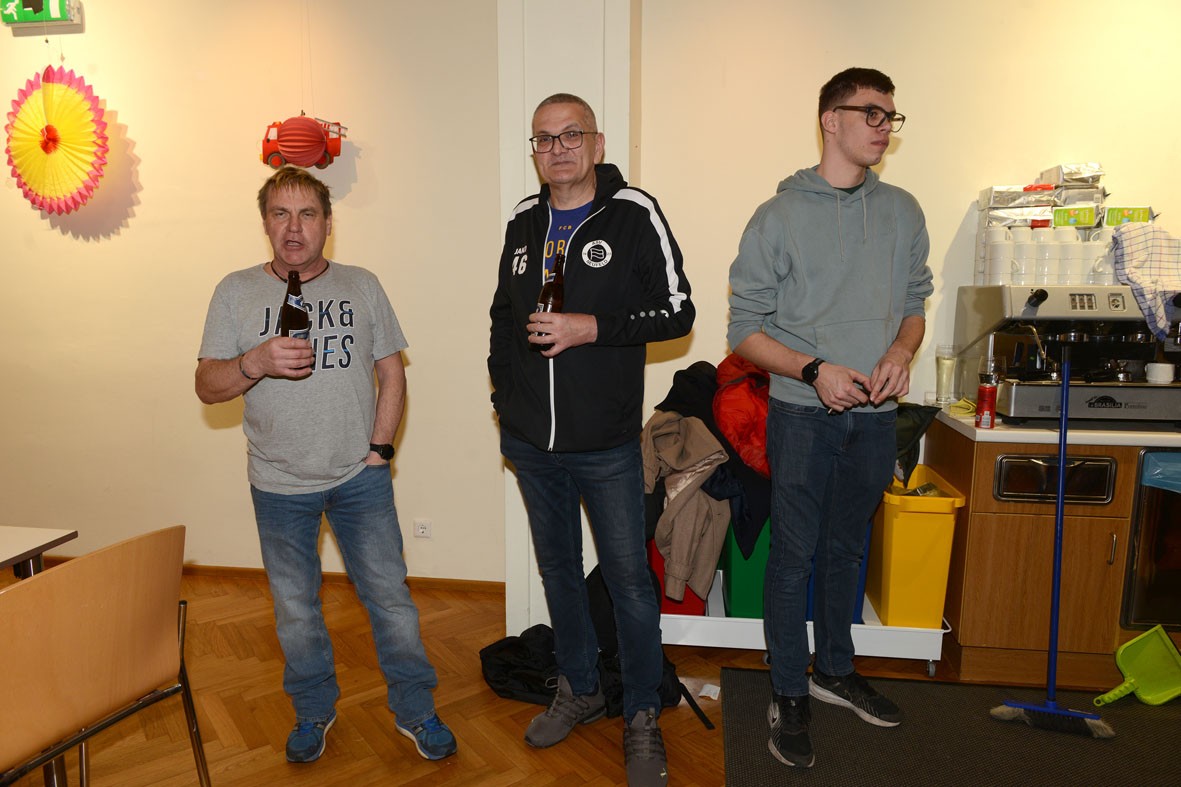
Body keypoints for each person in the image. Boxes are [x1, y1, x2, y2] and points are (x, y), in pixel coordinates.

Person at [195, 166, 457, 765]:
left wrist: (380, 451)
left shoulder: (362, 285)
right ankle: (313, 711)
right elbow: (207, 387)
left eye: (307, 214)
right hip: (277, 484)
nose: (294, 227)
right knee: (296, 612)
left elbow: (391, 372)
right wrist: (255, 361)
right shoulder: (234, 291)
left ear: (328, 223)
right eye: (280, 214)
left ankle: (416, 709)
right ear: (265, 223)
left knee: (390, 600)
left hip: (359, 479)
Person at [726, 67, 933, 769]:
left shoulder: (902, 210)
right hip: (802, 415)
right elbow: (744, 332)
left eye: (889, 116)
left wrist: (901, 351)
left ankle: (835, 670)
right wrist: (814, 370)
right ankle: (788, 688)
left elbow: (914, 302)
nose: (883, 126)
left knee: (847, 549)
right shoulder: (777, 217)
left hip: (875, 415)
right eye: (870, 112)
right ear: (830, 119)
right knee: (793, 555)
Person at [488, 93, 694, 787]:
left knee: (629, 582)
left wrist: (591, 328)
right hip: (532, 445)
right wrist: (505, 403)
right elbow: (502, 318)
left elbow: (678, 310)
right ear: (534, 151)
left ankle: (641, 712)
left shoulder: (633, 212)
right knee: (557, 571)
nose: (558, 149)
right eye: (544, 139)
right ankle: (578, 687)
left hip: (606, 444)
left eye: (571, 135)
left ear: (597, 144)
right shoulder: (523, 221)